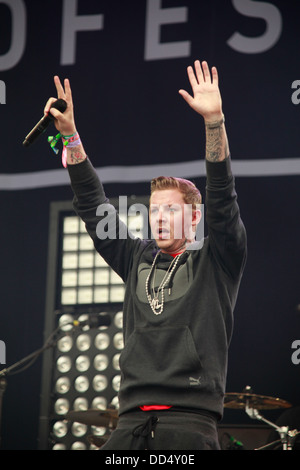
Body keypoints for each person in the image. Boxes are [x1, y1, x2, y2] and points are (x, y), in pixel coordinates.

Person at [45, 60, 247, 450]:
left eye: (170, 209)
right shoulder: (137, 259)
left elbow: (224, 198)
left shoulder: (217, 260)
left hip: (189, 425)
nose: (159, 218)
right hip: (130, 425)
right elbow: (92, 204)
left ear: (194, 217)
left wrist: (214, 122)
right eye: (154, 210)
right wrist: (68, 136)